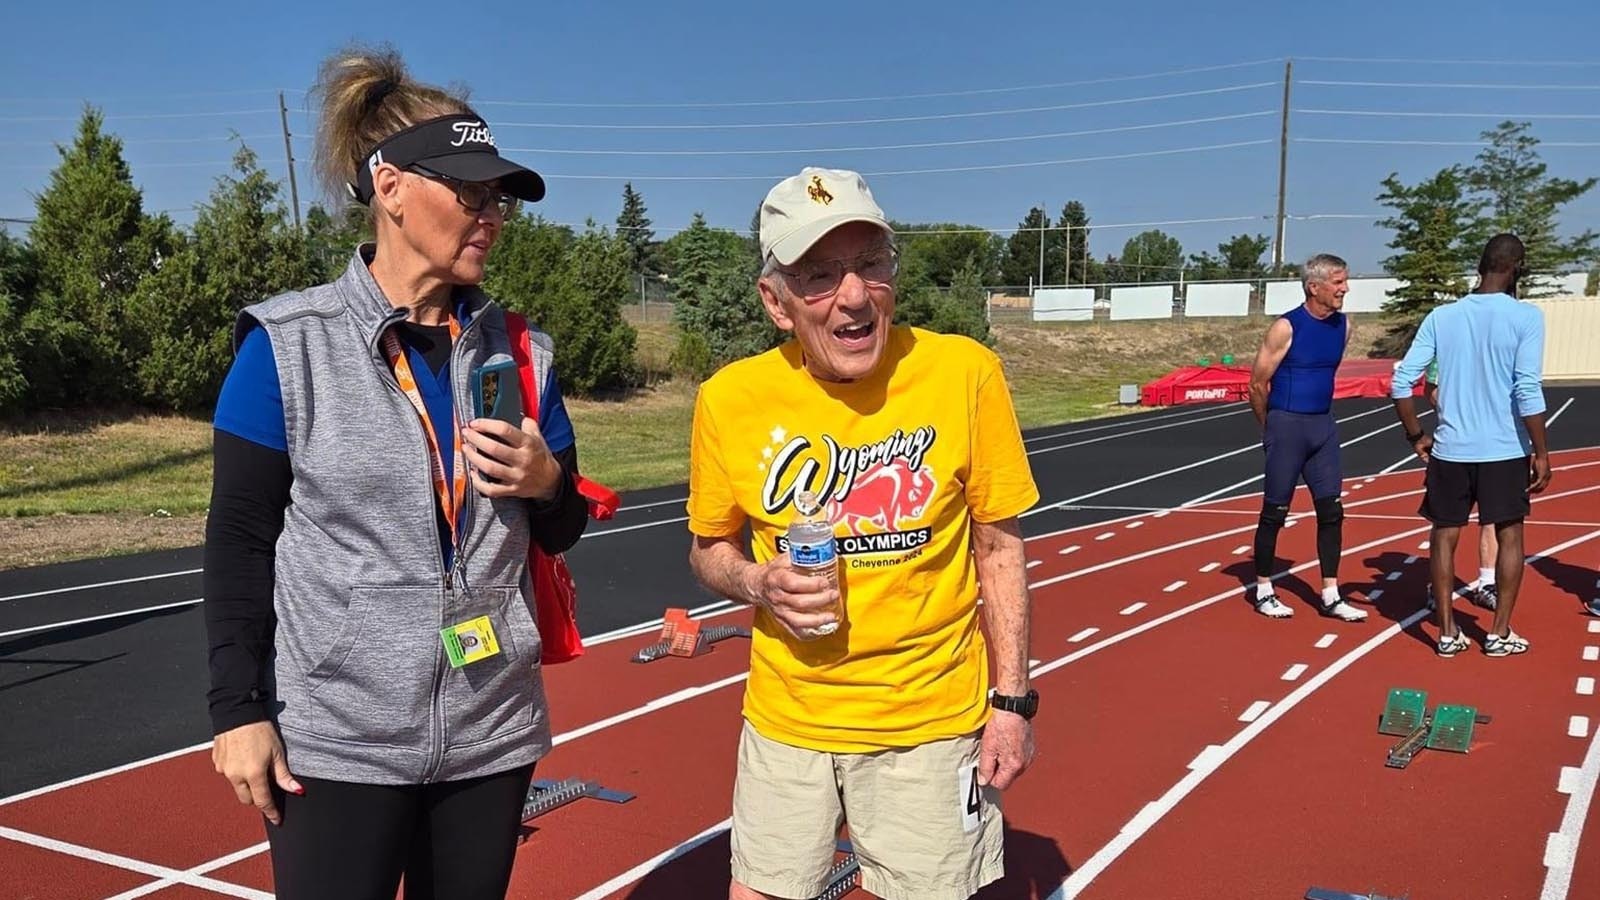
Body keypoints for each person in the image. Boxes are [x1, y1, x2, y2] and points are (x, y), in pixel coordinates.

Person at [202, 44, 588, 899]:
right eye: (471, 192)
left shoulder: (523, 351)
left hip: (491, 733)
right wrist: (238, 712)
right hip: (338, 740)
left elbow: (561, 529)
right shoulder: (285, 348)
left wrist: (546, 484)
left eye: (501, 199)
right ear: (392, 187)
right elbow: (238, 542)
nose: (492, 215)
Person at [686, 167, 1039, 900]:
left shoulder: (963, 374)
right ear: (776, 303)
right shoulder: (730, 400)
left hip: (931, 721)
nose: (853, 295)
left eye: (870, 264)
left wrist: (1010, 706)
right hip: (789, 722)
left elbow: (999, 548)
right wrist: (756, 581)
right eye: (818, 275)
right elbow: (708, 549)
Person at [1392, 233, 1550, 657]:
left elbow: (1401, 381)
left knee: (1443, 537)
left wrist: (1415, 435)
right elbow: (1527, 388)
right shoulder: (1526, 317)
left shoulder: (1442, 317)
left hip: (1450, 449)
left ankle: (1446, 633)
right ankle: (1498, 634)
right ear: (1516, 267)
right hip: (1504, 449)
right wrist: (1542, 451)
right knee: (1510, 536)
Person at [1245, 254, 1368, 622]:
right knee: (1275, 512)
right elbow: (1255, 385)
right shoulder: (1286, 327)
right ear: (1314, 287)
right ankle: (1264, 589)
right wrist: (1270, 429)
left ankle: (1331, 594)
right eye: (1338, 282)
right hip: (1286, 428)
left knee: (1332, 512)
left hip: (1322, 430)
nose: (1345, 288)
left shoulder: (1344, 326)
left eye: (1345, 281)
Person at [1424, 361, 1500, 612]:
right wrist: (1458, 411)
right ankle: (1437, 585)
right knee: (1446, 522)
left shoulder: (1498, 342)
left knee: (1493, 516)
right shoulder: (1447, 341)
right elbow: (1431, 389)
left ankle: (1487, 584)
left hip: (1494, 446)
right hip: (1454, 446)